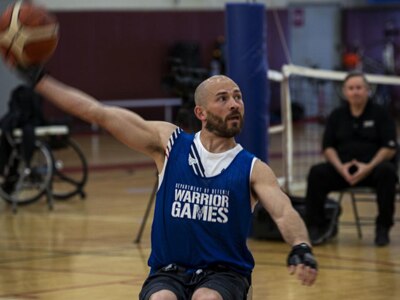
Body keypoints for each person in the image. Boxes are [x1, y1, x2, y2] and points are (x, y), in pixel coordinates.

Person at [11, 65, 318, 299]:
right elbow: (98, 113)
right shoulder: (169, 143)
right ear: (201, 112)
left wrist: (301, 245)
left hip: (225, 273)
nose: (234, 104)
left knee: (206, 298)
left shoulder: (253, 168)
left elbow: (283, 211)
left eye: (238, 97)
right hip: (169, 271)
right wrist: (40, 80)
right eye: (223, 98)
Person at [305, 72, 398, 247]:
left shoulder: (381, 114)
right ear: (345, 92)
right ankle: (316, 227)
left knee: (388, 171)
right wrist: (341, 168)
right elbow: (328, 147)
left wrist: (368, 167)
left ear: (367, 90)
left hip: (372, 170)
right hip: (343, 171)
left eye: (359, 88)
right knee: (317, 173)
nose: (355, 92)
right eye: (351, 88)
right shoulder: (337, 115)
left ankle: (383, 227)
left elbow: (390, 148)